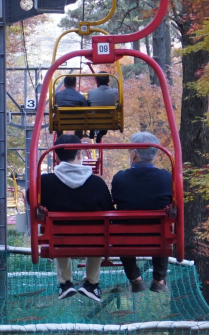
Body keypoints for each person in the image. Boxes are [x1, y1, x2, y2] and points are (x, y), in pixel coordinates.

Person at [39, 133, 112, 301]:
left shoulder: (45, 182)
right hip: (93, 241)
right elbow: (108, 209)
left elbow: (32, 199)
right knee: (98, 231)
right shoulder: (96, 183)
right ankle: (91, 284)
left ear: (56, 157)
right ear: (80, 154)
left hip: (60, 240)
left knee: (57, 233)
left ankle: (65, 283)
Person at [110, 131, 173, 293]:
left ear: (133, 154)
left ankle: (135, 277)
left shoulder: (120, 178)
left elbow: (115, 200)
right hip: (156, 237)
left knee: (121, 227)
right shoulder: (166, 177)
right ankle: (159, 278)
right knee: (163, 228)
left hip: (126, 238)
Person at [87, 74, 120, 140]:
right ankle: (101, 132)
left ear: (97, 81)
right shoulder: (115, 92)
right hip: (109, 120)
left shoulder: (91, 93)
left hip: (94, 120)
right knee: (108, 114)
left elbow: (88, 105)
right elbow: (118, 103)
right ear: (108, 80)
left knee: (90, 110)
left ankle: (92, 130)